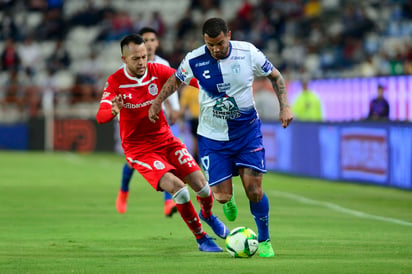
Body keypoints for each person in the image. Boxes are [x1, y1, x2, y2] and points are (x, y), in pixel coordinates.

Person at [149, 17, 293, 257]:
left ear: (229, 34)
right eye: (210, 44)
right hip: (212, 137)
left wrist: (285, 107)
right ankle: (228, 200)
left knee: (255, 190)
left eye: (219, 43)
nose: (215, 49)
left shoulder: (248, 52)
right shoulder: (194, 59)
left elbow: (276, 76)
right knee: (221, 196)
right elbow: (175, 80)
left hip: (246, 133)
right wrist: (157, 102)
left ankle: (265, 239)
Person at [96, 34, 228, 252]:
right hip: (139, 149)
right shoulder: (115, 81)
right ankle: (201, 239)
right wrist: (113, 110)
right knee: (180, 189)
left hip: (166, 140)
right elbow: (100, 116)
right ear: (124, 59)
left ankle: (208, 215)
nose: (141, 62)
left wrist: (212, 88)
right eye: (136, 59)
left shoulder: (157, 71)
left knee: (203, 188)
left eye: (144, 57)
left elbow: (186, 78)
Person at [116, 27, 180, 216]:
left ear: (157, 43)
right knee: (132, 163)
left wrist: (174, 107)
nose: (150, 43)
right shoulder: (125, 70)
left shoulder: (163, 64)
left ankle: (168, 202)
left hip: (158, 122)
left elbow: (170, 86)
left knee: (166, 158)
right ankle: (123, 191)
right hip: (135, 125)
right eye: (146, 40)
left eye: (152, 39)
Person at [179, 85, 200, 163]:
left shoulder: (187, 90)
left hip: (196, 118)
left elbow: (182, 109)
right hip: (199, 118)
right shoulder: (204, 85)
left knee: (195, 142)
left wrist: (180, 121)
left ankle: (197, 161)